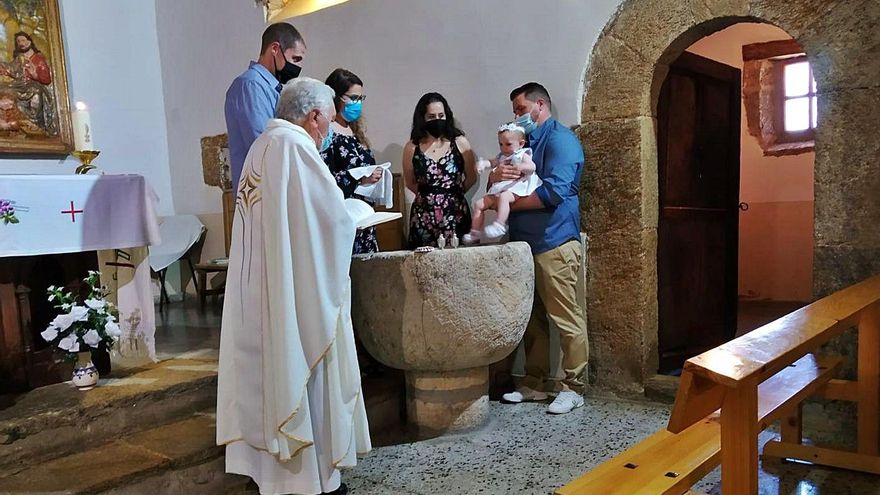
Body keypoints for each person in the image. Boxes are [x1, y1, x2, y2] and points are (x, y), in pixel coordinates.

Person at [217, 77, 370, 495]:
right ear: (315, 115)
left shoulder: (261, 147)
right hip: (294, 294)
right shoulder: (296, 147)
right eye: (331, 118)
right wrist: (354, 213)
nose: (330, 129)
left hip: (261, 288)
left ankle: (267, 475)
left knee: (265, 374)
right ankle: (306, 479)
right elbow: (329, 221)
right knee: (299, 367)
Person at [495, 82, 589, 415]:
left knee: (565, 318)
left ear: (540, 105)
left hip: (555, 242)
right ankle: (534, 384)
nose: (517, 116)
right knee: (531, 320)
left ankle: (574, 386)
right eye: (514, 111)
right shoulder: (523, 144)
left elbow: (554, 193)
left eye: (520, 109)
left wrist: (502, 202)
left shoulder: (561, 140)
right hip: (523, 245)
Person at [225, 23, 306, 190]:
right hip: (260, 193)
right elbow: (264, 143)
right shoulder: (251, 85)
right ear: (275, 49)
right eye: (294, 59)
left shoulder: (273, 87)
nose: (297, 67)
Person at [403, 92, 477, 249]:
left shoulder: (460, 142)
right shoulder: (412, 147)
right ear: (422, 118)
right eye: (431, 116)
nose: (437, 120)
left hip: (455, 210)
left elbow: (471, 177)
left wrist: (453, 194)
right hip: (423, 214)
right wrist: (430, 197)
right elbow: (410, 182)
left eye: (441, 115)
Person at [321, 68, 382, 254]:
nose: (357, 103)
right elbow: (323, 178)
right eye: (353, 98)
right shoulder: (327, 133)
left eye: (360, 99)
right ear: (336, 97)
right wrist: (358, 179)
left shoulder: (355, 131)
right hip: (343, 217)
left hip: (365, 216)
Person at [462, 123, 541, 244]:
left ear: (521, 143)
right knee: (479, 204)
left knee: (504, 197)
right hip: (501, 187)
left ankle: (500, 224)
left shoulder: (522, 154)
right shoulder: (502, 156)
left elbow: (532, 167)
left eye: (508, 144)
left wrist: (521, 166)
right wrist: (483, 164)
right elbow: (492, 162)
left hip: (516, 187)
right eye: (501, 144)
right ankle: (475, 232)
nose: (504, 148)